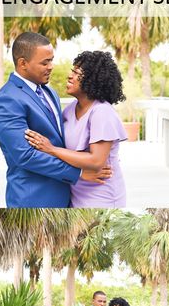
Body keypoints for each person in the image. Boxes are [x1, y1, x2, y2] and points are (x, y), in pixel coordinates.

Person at [0, 32, 110, 207]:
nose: (51, 66)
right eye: (44, 62)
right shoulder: (7, 100)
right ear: (23, 63)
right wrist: (78, 173)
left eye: (51, 60)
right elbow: (25, 155)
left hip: (66, 196)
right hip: (33, 199)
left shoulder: (49, 92)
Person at [25, 50, 127, 208]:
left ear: (93, 80)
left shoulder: (102, 112)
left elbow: (96, 161)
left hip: (102, 194)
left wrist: (51, 149)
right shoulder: (70, 110)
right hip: (76, 191)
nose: (70, 76)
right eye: (72, 71)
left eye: (76, 73)